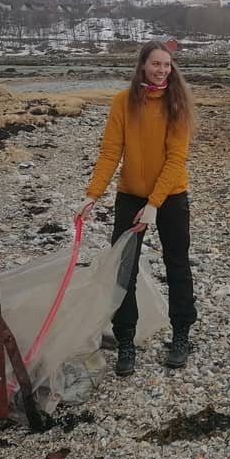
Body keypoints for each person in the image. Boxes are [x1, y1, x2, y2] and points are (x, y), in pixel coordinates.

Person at [80, 40, 197, 375]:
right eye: (155, 64)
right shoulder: (123, 102)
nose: (161, 70)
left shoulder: (177, 104)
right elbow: (109, 153)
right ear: (143, 66)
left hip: (171, 197)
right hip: (130, 195)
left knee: (177, 265)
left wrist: (155, 204)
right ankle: (126, 341)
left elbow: (176, 159)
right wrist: (92, 195)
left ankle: (180, 334)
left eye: (167, 65)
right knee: (124, 270)